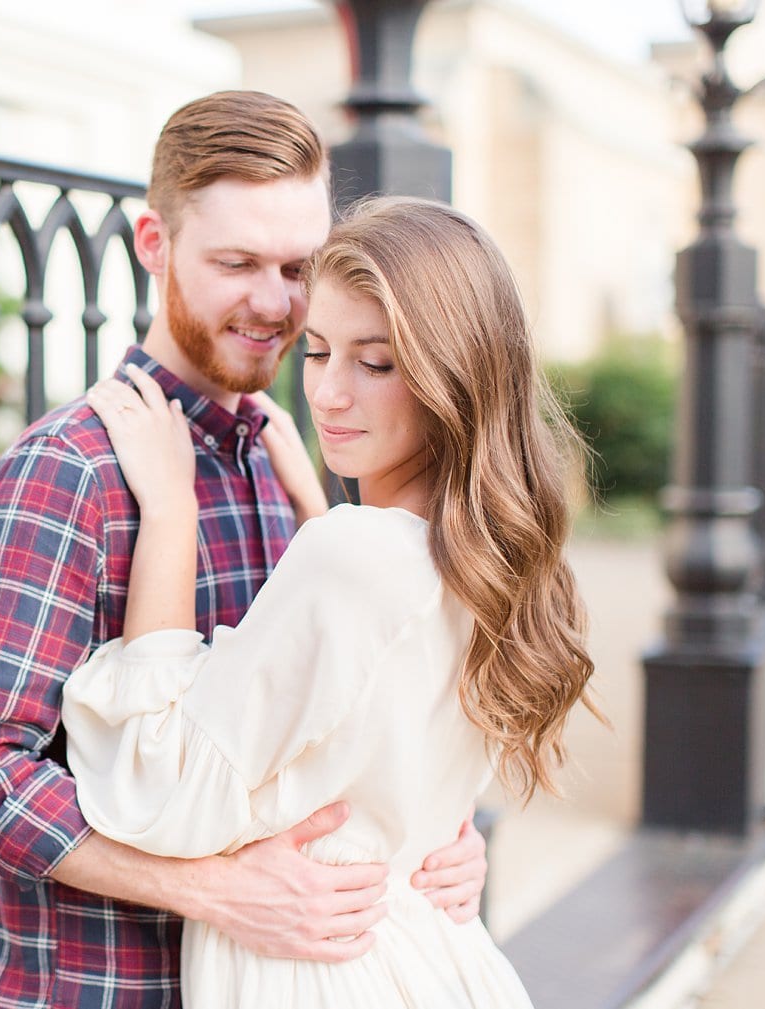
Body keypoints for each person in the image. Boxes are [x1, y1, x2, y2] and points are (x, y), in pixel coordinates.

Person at [0, 92, 489, 1008]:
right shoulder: (68, 470)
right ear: (154, 244)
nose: (274, 302)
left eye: (298, 265)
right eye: (237, 263)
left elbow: (321, 734)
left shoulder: (291, 463)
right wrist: (210, 889)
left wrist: (427, 836)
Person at [61, 195, 602, 1007]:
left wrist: (170, 512)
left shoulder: (352, 555)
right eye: (316, 352)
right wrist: (322, 510)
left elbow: (156, 789)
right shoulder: (494, 554)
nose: (328, 394)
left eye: (375, 363)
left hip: (321, 972)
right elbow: (375, 714)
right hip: (432, 958)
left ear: (456, 372)